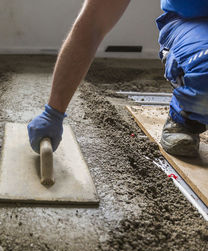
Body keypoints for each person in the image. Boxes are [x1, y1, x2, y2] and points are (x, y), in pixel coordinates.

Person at [28, 0, 208, 157]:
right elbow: (93, 23)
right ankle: (186, 118)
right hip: (193, 25)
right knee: (203, 74)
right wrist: (53, 112)